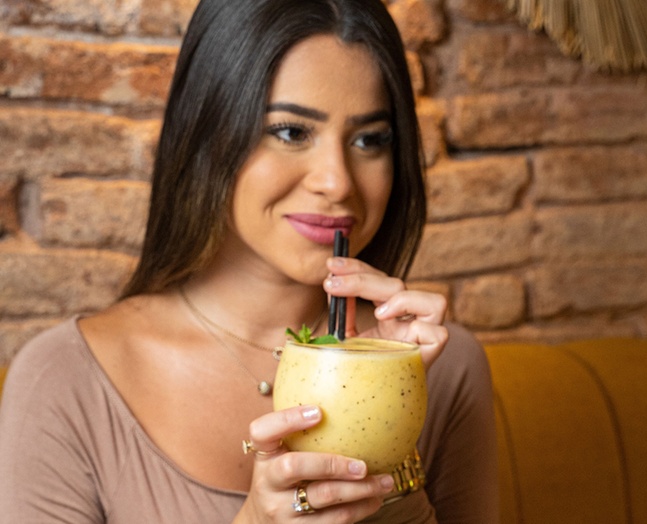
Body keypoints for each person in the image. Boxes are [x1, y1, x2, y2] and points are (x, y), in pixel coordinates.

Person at [0, 0, 499, 521]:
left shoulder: (440, 368)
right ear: (207, 130)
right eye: (291, 132)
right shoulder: (64, 380)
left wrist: (387, 449)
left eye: (370, 139)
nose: (338, 180)